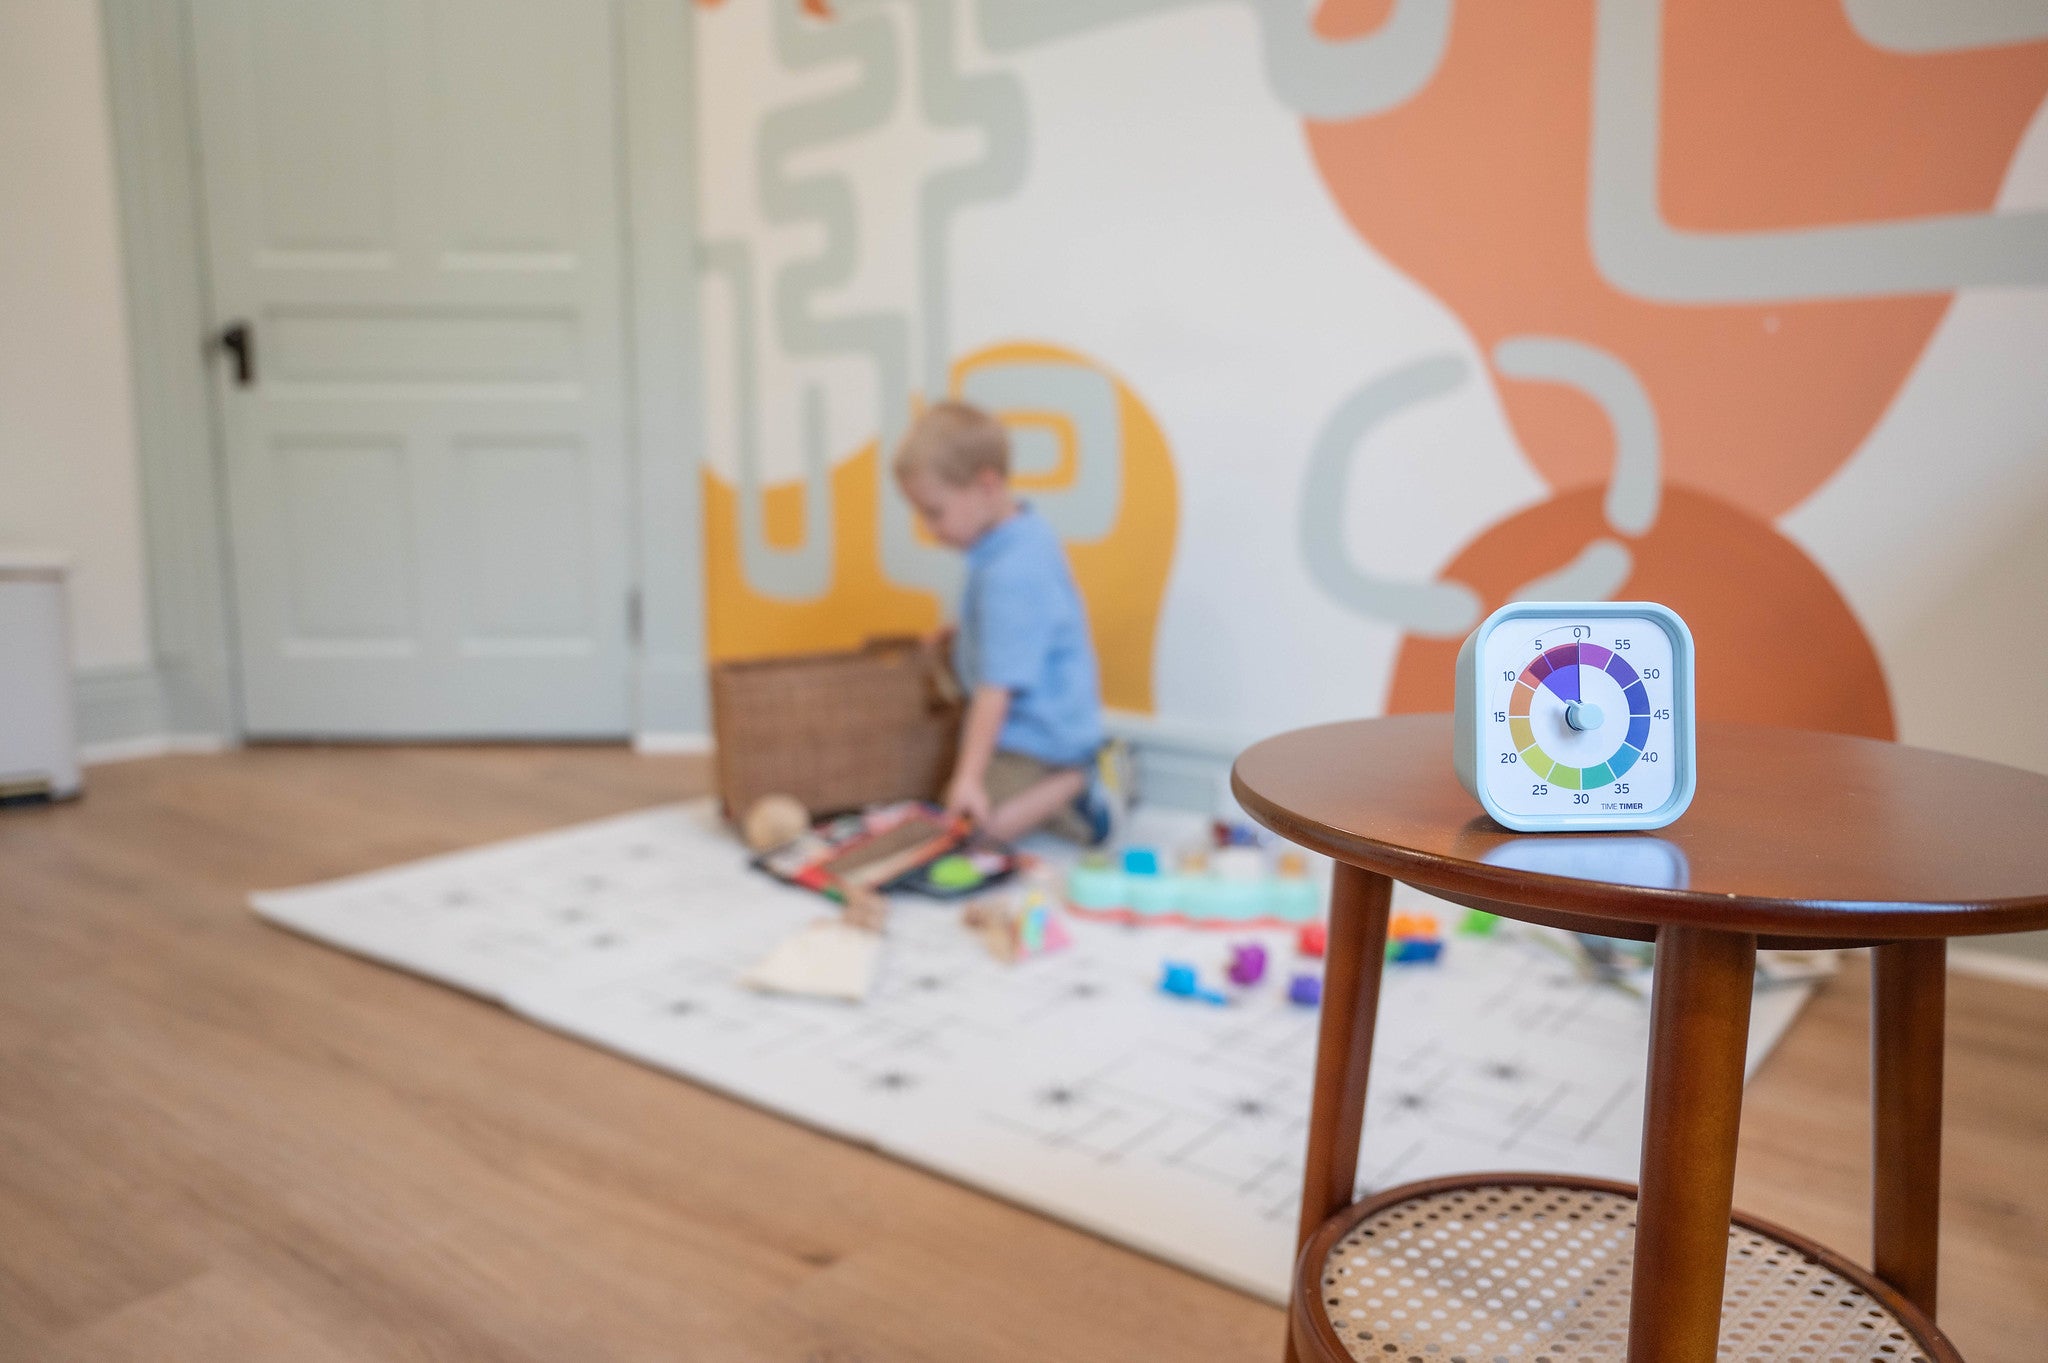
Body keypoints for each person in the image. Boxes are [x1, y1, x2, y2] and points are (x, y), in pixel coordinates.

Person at [892, 400, 1117, 844]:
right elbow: (1026, 625)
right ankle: (1057, 796)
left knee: (969, 830)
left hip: (1041, 738)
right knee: (954, 803)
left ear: (987, 485)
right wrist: (967, 635)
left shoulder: (1010, 571)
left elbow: (996, 690)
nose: (929, 529)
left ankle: (1076, 781)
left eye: (934, 512)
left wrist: (969, 778)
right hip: (1033, 726)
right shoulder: (1019, 535)